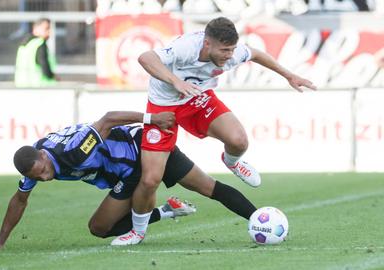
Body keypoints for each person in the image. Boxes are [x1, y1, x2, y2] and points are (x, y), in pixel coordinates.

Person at [112, 16, 316, 246]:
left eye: (232, 50)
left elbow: (257, 54)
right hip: (163, 106)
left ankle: (232, 161)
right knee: (150, 180)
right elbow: (145, 57)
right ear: (207, 44)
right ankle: (137, 232)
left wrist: (289, 75)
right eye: (225, 50)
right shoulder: (186, 47)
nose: (229, 55)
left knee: (239, 141)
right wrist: (175, 81)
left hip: (198, 99)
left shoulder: (233, 53)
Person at [0, 111, 257, 249]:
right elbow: (19, 199)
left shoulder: (74, 151)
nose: (45, 178)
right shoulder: (33, 162)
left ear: (43, 155)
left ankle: (260, 218)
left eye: (43, 171)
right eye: (38, 177)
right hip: (126, 175)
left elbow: (108, 120)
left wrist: (153, 119)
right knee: (99, 228)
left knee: (208, 187)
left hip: (144, 151)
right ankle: (167, 211)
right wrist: (0, 241)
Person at [14, 18, 58, 88]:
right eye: (46, 28)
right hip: (39, 88)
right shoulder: (40, 43)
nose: (49, 32)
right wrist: (53, 76)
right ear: (35, 28)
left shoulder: (24, 45)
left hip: (21, 86)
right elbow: (45, 67)